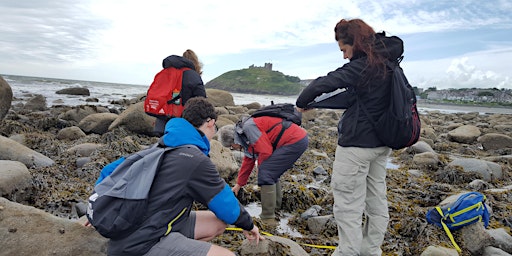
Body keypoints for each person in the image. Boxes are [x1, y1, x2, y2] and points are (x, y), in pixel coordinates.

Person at [295, 18, 404, 255]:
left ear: (355, 42)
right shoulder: (388, 62)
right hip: (382, 145)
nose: (344, 56)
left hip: (356, 146)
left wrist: (302, 102)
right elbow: (356, 99)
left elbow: (325, 82)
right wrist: (317, 105)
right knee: (376, 199)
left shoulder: (363, 65)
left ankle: (348, 252)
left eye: (344, 49)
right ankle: (370, 251)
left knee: (347, 204)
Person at [106, 97, 263, 256]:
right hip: (142, 242)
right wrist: (249, 225)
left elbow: (109, 171)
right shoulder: (194, 159)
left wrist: (101, 205)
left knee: (218, 223)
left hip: (155, 224)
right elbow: (224, 201)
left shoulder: (162, 145)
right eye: (215, 127)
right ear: (210, 122)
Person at [218, 115, 308, 223]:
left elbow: (266, 151)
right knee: (270, 172)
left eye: (231, 147)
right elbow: (248, 160)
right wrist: (239, 184)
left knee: (267, 172)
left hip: (294, 140)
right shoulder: (244, 135)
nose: (233, 149)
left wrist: (262, 172)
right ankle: (276, 208)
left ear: (233, 141)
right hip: (295, 139)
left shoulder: (249, 129)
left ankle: (268, 217)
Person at [152, 49, 207, 136]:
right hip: (182, 123)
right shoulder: (193, 76)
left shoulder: (169, 73)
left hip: (162, 121)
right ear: (196, 63)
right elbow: (202, 100)